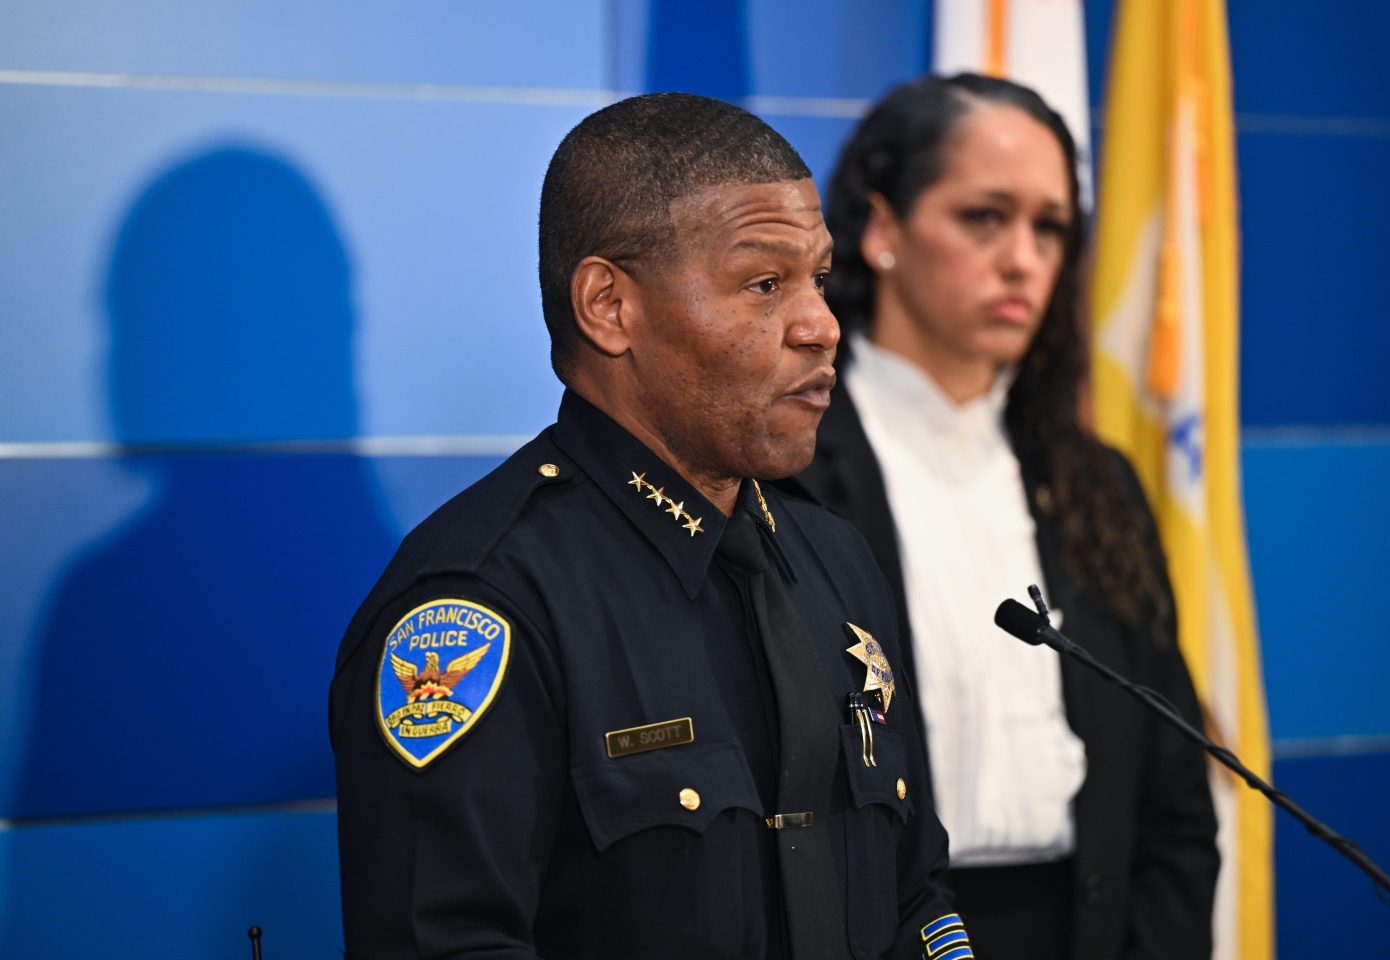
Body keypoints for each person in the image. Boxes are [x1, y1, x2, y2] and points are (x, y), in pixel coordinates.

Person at [330, 92, 967, 960]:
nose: (820, 325)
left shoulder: (833, 558)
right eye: (764, 284)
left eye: (818, 278)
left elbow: (914, 893)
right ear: (609, 307)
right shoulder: (482, 606)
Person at [799, 73, 1219, 959]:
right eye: (984, 218)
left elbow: (1172, 797)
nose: (1024, 258)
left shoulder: (1094, 484)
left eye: (1050, 227)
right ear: (881, 230)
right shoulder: (788, 472)